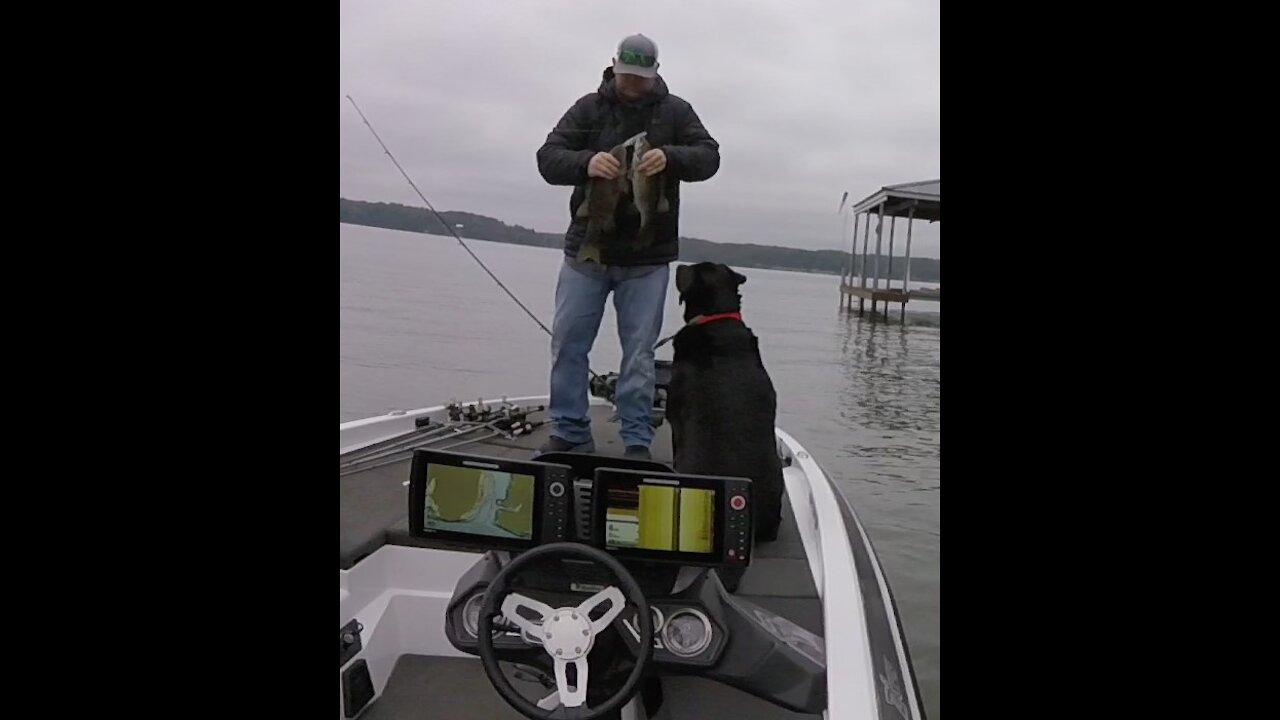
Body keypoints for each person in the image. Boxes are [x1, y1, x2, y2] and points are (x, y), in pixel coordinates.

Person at [536, 33, 720, 460]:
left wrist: (671, 157)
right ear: (614, 66)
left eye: (641, 77)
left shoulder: (676, 112)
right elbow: (548, 157)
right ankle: (569, 429)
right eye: (627, 75)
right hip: (587, 252)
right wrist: (586, 162)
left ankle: (637, 439)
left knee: (639, 352)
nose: (633, 84)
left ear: (655, 73)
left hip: (648, 257)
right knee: (568, 342)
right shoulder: (588, 108)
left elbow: (709, 157)